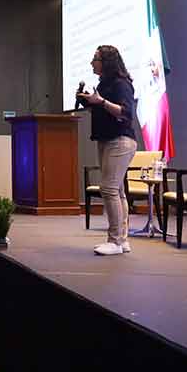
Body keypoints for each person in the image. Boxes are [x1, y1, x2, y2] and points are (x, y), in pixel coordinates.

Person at [77, 45, 138, 256]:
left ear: (107, 62)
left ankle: (114, 241)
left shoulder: (122, 84)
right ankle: (123, 239)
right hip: (106, 139)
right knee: (117, 190)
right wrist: (89, 100)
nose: (92, 62)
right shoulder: (104, 84)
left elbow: (125, 112)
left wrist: (101, 101)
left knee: (109, 189)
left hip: (120, 141)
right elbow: (103, 108)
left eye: (96, 58)